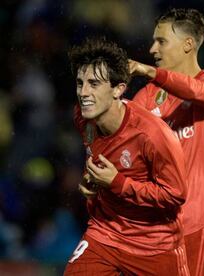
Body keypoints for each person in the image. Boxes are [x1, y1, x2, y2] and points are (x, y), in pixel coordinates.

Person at [64, 37, 189, 275]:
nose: (84, 93)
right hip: (106, 233)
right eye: (80, 83)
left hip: (155, 244)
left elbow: (175, 195)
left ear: (118, 89)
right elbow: (98, 153)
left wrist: (117, 183)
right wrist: (89, 179)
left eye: (93, 83)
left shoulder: (153, 134)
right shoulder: (83, 117)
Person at [129, 8, 204, 276]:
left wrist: (152, 73)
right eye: (153, 41)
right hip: (153, 228)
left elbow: (195, 90)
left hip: (197, 221)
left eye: (161, 41)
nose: (152, 49)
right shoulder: (145, 97)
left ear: (188, 44)